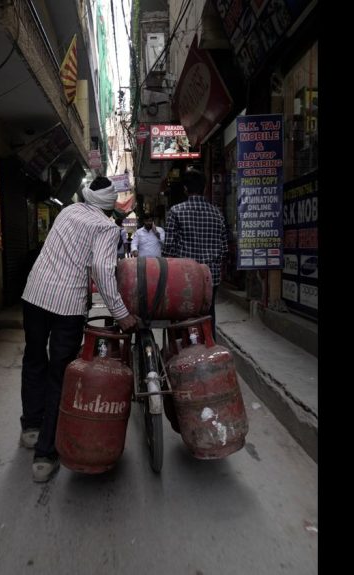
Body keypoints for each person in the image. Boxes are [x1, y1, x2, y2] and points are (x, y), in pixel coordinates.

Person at [20, 176, 140, 482]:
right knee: (60, 375)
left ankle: (31, 428)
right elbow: (101, 270)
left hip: (34, 295)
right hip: (67, 306)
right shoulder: (106, 227)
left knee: (34, 360)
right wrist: (121, 313)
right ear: (109, 207)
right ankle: (45, 456)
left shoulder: (67, 212)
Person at [163, 168, 228, 340]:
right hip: (210, 277)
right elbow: (224, 249)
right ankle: (209, 348)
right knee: (208, 315)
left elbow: (169, 248)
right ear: (205, 188)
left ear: (185, 188)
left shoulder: (176, 212)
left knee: (183, 315)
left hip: (184, 277)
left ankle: (183, 351)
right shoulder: (217, 214)